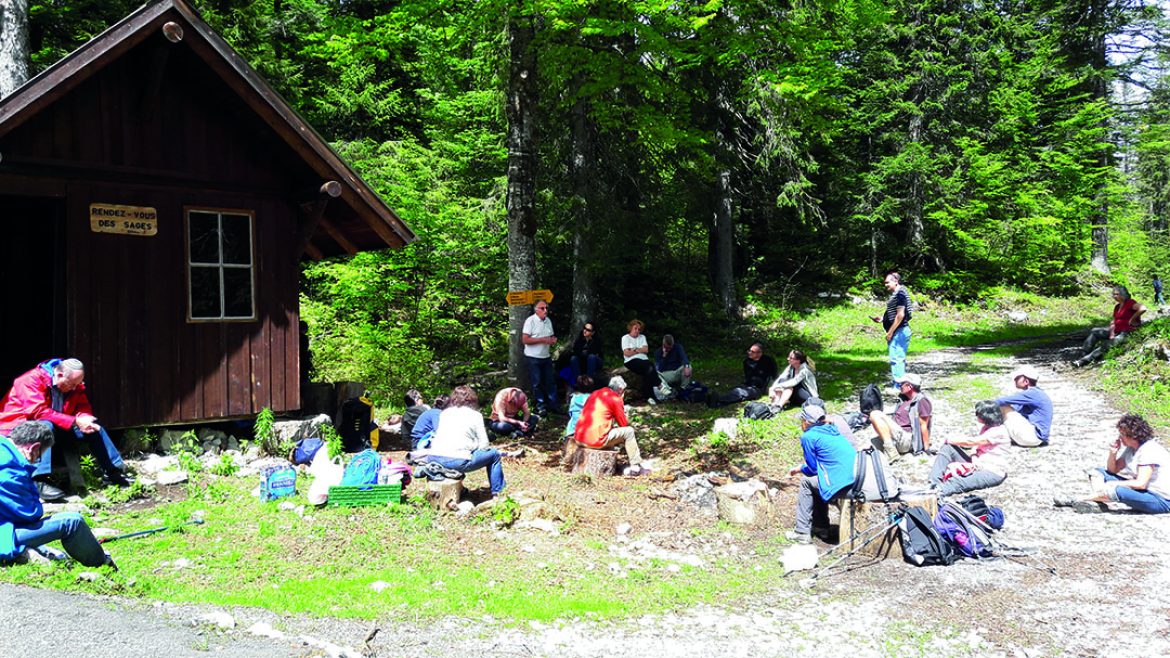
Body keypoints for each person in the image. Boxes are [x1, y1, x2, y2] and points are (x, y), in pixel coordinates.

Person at [0, 358, 130, 501]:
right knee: (44, 426)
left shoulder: (73, 384)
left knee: (94, 427)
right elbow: (37, 412)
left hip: (58, 424)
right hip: (17, 427)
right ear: (60, 375)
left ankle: (113, 472)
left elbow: (82, 406)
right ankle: (39, 480)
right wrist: (75, 420)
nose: (75, 388)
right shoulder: (29, 380)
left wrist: (85, 418)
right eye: (72, 384)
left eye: (77, 384)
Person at [1, 421, 114, 567]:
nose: (36, 461)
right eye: (39, 457)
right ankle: (103, 563)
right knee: (72, 521)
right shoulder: (12, 473)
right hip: (3, 535)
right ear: (33, 448)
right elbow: (31, 513)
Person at [1055, 414, 1170, 514]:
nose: (1120, 438)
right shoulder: (1131, 449)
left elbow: (1141, 484)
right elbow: (1112, 470)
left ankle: (1078, 499)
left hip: (1160, 499)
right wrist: (1113, 453)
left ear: (1133, 435)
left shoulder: (1149, 450)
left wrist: (1114, 484)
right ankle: (1099, 499)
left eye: (1122, 435)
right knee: (1097, 473)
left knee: (1118, 489)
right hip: (1145, 492)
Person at [785, 404, 856, 544]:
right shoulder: (832, 429)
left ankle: (802, 532)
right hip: (856, 478)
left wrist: (800, 469)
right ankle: (821, 528)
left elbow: (813, 469)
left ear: (806, 422)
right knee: (816, 482)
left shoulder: (809, 436)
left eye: (801, 420)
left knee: (807, 481)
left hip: (843, 484)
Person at [415, 386, 505, 496]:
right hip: (457, 460)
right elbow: (484, 445)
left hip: (434, 457)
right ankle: (498, 492)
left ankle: (460, 489)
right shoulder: (476, 415)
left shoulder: (444, 413)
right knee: (494, 454)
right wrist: (474, 445)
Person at [927, 401, 1010, 496]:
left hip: (992, 471)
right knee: (947, 448)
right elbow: (975, 446)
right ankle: (932, 483)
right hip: (978, 463)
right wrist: (974, 458)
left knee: (957, 482)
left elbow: (971, 442)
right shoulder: (986, 428)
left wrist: (951, 439)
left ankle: (935, 493)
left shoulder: (999, 431)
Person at [574, 376, 648, 477]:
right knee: (629, 432)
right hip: (595, 440)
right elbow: (623, 424)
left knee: (609, 431)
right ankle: (636, 465)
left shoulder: (596, 393)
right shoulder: (615, 398)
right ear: (620, 390)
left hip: (579, 438)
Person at [1074, 285, 1146, 367]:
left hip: (1128, 332)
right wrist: (1111, 333)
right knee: (1094, 331)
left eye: (1117, 294)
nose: (1115, 296)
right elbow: (1113, 322)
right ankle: (1084, 353)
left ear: (1123, 294)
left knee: (1108, 344)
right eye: (1113, 294)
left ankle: (1084, 361)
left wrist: (1132, 319)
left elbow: (1143, 308)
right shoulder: (1117, 307)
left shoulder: (1130, 303)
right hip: (1117, 331)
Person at [868, 373, 931, 459]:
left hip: (907, 439)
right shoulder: (903, 399)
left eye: (901, 384)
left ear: (909, 386)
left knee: (875, 414)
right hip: (895, 436)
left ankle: (892, 453)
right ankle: (890, 448)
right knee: (868, 447)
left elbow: (924, 426)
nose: (899, 386)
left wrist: (926, 448)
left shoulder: (921, 401)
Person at [871, 271, 912, 388]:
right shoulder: (898, 294)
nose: (886, 285)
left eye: (887, 282)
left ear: (895, 281)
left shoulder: (900, 294)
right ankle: (901, 385)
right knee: (898, 358)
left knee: (896, 359)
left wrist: (890, 332)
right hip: (899, 331)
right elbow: (894, 313)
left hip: (899, 332)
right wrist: (883, 319)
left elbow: (900, 315)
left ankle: (899, 386)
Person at [995, 366, 1053, 447]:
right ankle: (997, 435)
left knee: (1003, 407)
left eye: (1017, 378)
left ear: (1026, 381)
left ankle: (992, 435)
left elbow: (1001, 401)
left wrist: (984, 405)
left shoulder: (1032, 393)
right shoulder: (1034, 394)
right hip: (1036, 439)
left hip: (1032, 438)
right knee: (1008, 409)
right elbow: (1015, 410)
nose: (1014, 380)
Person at [521, 300, 561, 415]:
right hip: (533, 357)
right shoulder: (530, 321)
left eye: (546, 308)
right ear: (536, 310)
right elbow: (525, 340)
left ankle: (554, 405)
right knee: (537, 382)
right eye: (542, 308)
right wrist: (542, 339)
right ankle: (541, 406)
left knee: (550, 381)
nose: (545, 311)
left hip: (546, 356)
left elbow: (551, 336)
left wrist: (552, 340)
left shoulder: (548, 321)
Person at [710, 342, 779, 407]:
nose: (749, 353)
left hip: (759, 388)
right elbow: (748, 376)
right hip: (748, 384)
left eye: (752, 352)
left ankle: (720, 400)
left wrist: (772, 388)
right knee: (737, 390)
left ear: (759, 353)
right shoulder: (747, 361)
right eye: (749, 351)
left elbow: (775, 375)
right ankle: (720, 401)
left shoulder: (768, 361)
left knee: (741, 392)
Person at [620, 319, 660, 400]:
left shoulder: (642, 337)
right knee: (649, 366)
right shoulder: (625, 338)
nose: (637, 331)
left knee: (648, 369)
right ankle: (659, 385)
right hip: (631, 361)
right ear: (630, 328)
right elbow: (627, 353)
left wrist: (634, 350)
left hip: (644, 360)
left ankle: (649, 397)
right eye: (635, 328)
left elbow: (646, 350)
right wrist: (639, 350)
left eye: (639, 329)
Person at [653, 334, 692, 403]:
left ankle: (683, 390)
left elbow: (684, 358)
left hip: (677, 371)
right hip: (666, 373)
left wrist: (686, 366)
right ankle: (669, 392)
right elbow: (660, 368)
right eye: (667, 348)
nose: (669, 349)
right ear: (663, 345)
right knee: (655, 374)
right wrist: (664, 356)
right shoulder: (658, 352)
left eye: (670, 347)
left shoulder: (678, 347)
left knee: (688, 367)